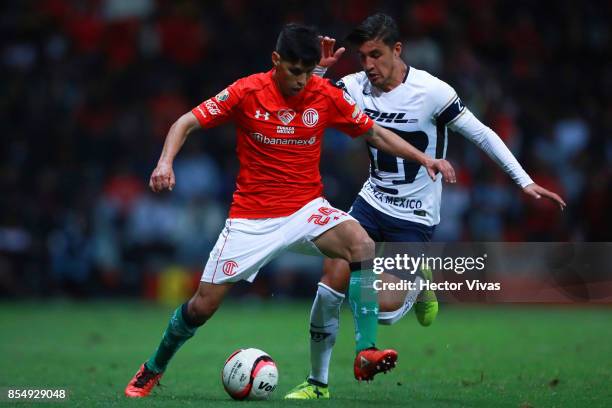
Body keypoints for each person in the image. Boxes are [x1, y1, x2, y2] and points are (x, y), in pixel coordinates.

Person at [124, 22, 456, 398]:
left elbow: (375, 133)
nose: (301, 81)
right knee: (201, 306)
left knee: (360, 245)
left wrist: (423, 158)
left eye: (307, 71)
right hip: (251, 220)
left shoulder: (323, 94)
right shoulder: (247, 91)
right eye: (294, 71)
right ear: (276, 60)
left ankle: (365, 351)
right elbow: (185, 122)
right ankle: (152, 368)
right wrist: (165, 163)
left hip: (305, 211)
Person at [285, 13, 566, 399]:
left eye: (376, 55)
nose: (368, 66)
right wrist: (317, 71)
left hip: (413, 216)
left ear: (397, 50)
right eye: (362, 57)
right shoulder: (354, 86)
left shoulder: (433, 92)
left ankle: (417, 285)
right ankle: (317, 383)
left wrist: (525, 181)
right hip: (371, 200)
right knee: (331, 277)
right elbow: (300, 102)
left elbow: (482, 134)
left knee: (380, 305)